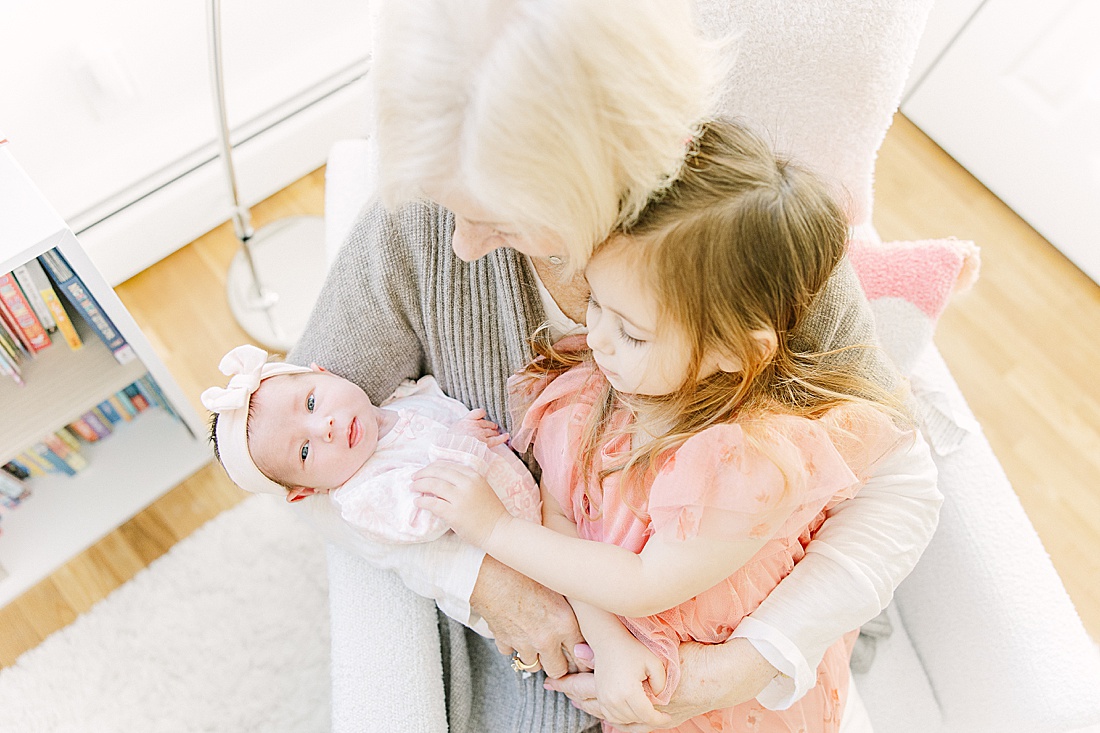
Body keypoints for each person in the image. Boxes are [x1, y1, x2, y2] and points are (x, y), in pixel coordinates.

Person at [289, 0, 942, 730]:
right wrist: (484, 580)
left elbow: (901, 485)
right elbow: (269, 443)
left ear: (608, 170)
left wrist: (742, 665)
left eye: (498, 213)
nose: (465, 246)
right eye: (449, 204)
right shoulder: (422, 228)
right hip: (552, 661)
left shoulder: (743, 239)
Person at [413, 119, 914, 732]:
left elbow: (646, 583)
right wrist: (613, 644)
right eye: (594, 302)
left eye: (632, 332)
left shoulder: (744, 461)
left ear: (734, 351)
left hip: (734, 707)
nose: (595, 338)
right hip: (635, 685)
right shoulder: (581, 406)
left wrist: (493, 529)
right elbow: (564, 524)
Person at [200, 344, 541, 545]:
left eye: (310, 403)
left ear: (325, 373)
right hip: (523, 553)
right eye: (304, 451)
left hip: (547, 502)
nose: (325, 428)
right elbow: (426, 517)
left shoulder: (405, 396)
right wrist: (460, 448)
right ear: (306, 491)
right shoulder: (364, 494)